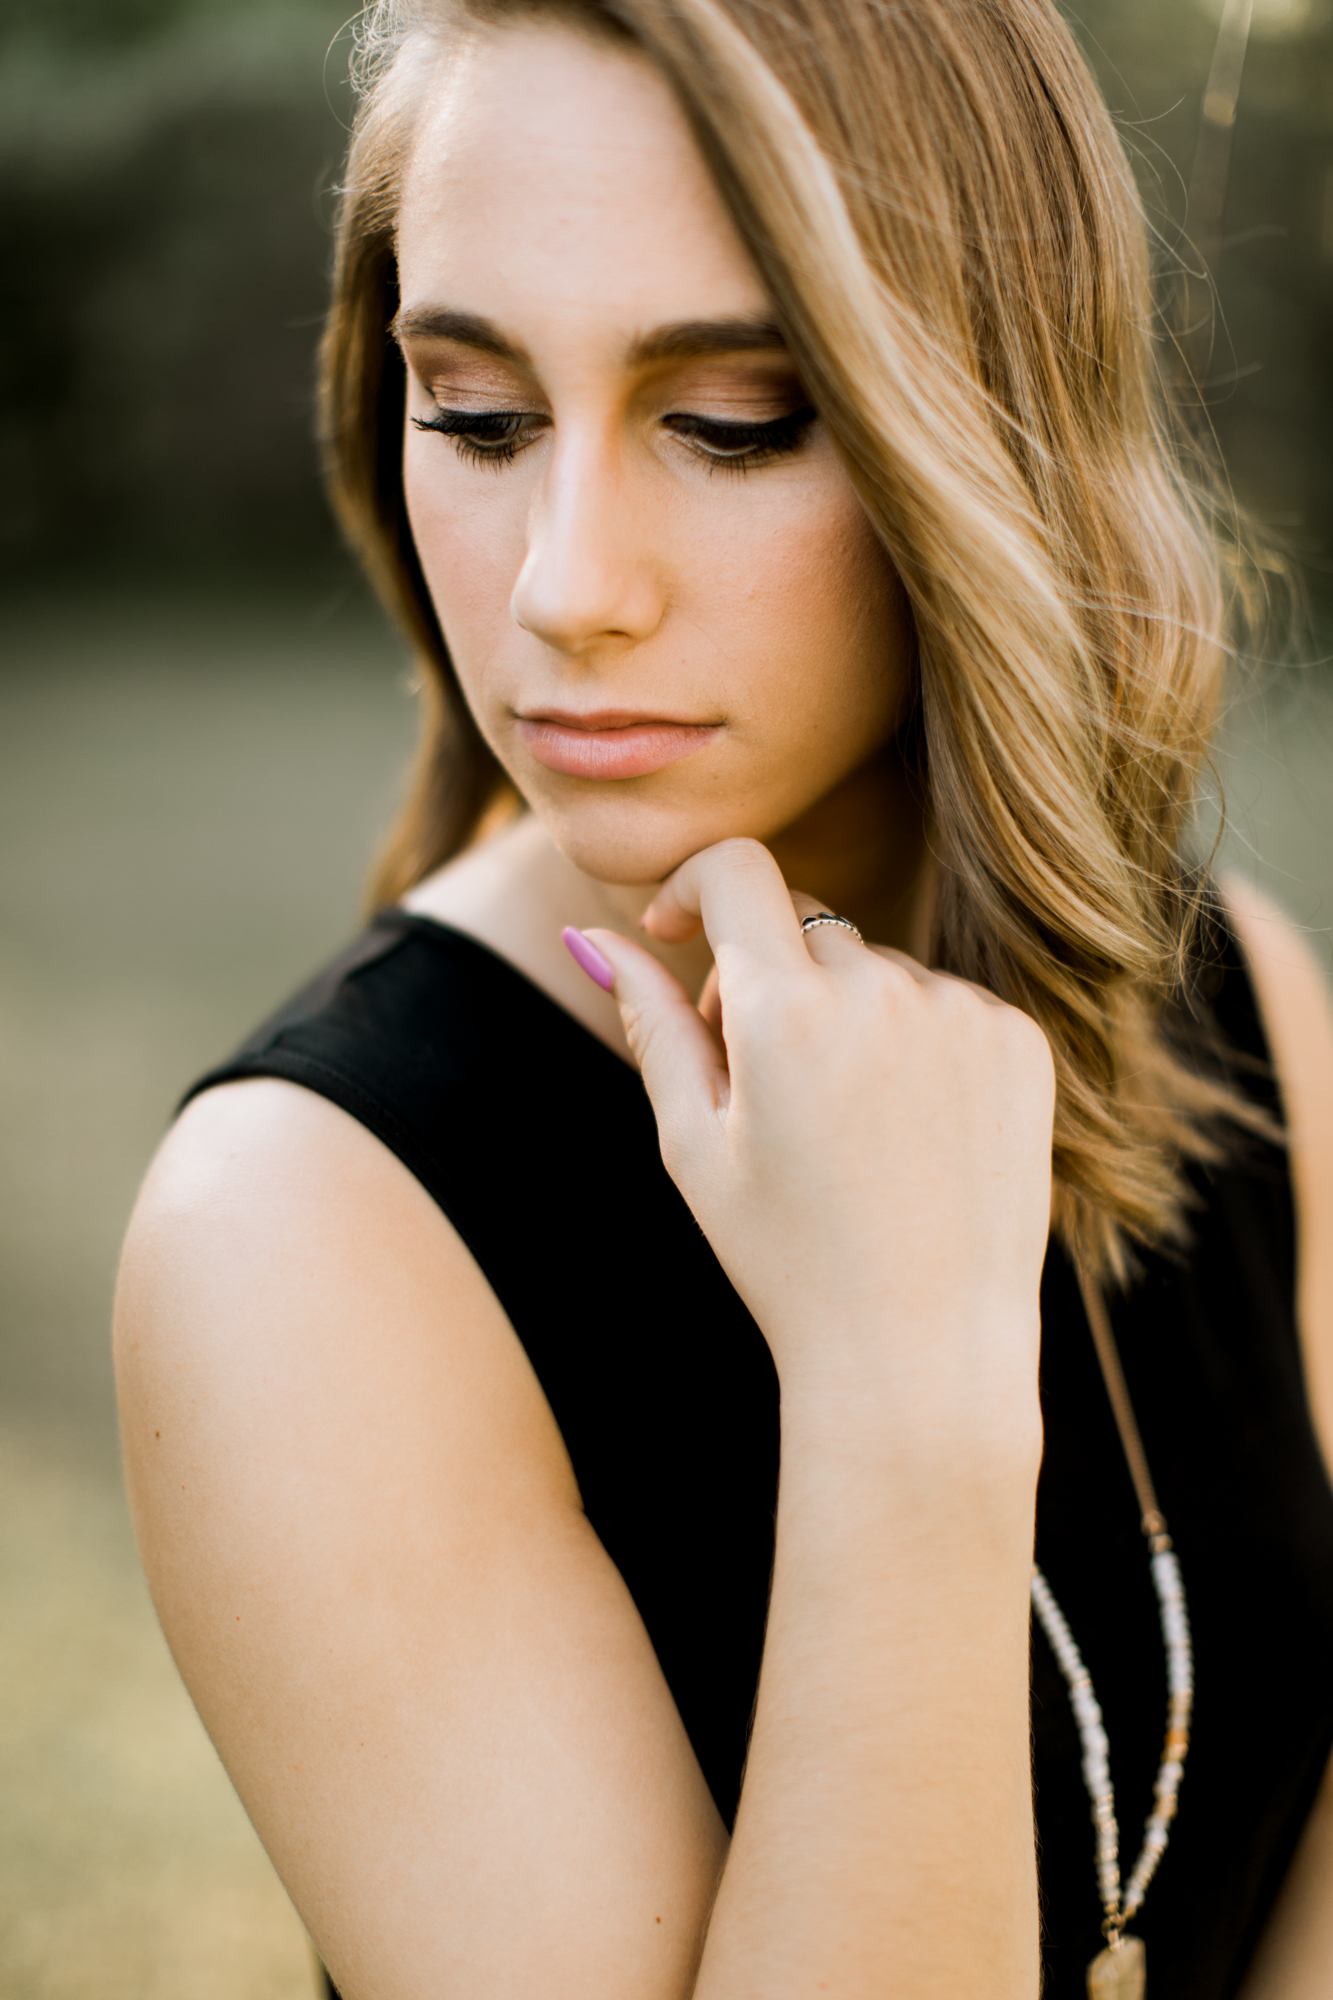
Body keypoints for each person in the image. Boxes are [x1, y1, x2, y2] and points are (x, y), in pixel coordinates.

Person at [112, 0, 1333, 1994]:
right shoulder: (304, 1234)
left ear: (990, 419)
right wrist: (896, 1405)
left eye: (734, 416)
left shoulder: (1245, 1009)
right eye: (478, 415)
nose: (564, 583)